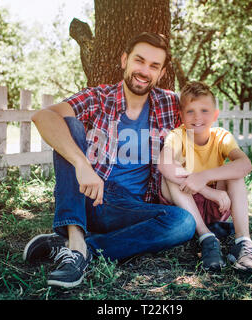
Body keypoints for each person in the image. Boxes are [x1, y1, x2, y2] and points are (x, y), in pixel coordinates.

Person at [23, 32, 196, 288]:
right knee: (69, 125)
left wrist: (217, 187)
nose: (144, 71)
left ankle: (76, 249)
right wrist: (82, 165)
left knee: (183, 222)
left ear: (160, 73)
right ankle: (75, 235)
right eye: (139, 60)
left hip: (133, 208)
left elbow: (203, 136)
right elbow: (43, 116)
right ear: (124, 59)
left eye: (154, 66)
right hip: (92, 195)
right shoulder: (98, 98)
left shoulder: (169, 103)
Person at [158, 81, 252, 275]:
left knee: (235, 174)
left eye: (204, 110)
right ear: (181, 115)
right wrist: (205, 189)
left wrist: (205, 176)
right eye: (190, 111)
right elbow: (164, 164)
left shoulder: (221, 136)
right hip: (186, 204)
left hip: (217, 206)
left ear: (215, 115)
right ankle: (207, 238)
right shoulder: (177, 136)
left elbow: (245, 164)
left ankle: (243, 244)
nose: (197, 117)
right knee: (171, 174)